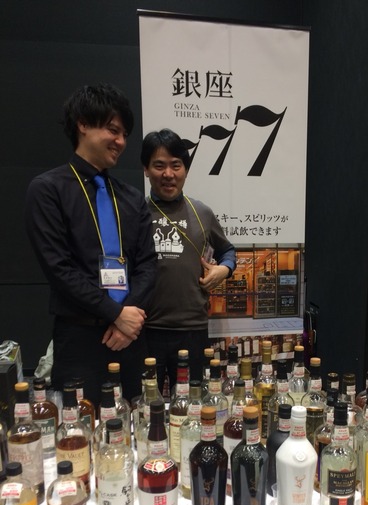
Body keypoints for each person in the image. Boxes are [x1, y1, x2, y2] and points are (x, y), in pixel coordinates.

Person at [25, 83, 156, 406]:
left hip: (130, 337)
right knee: (79, 424)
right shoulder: (48, 190)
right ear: (83, 124)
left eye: (124, 134)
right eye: (113, 130)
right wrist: (115, 313)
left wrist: (127, 320)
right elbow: (59, 269)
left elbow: (147, 265)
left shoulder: (132, 198)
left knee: (137, 419)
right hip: (79, 338)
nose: (121, 141)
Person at [141, 128, 236, 389]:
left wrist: (224, 270)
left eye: (176, 165)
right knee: (145, 403)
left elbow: (228, 251)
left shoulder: (202, 212)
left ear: (185, 169)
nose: (168, 174)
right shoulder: (136, 213)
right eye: (159, 165)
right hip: (146, 330)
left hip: (193, 330)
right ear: (146, 169)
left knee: (193, 401)